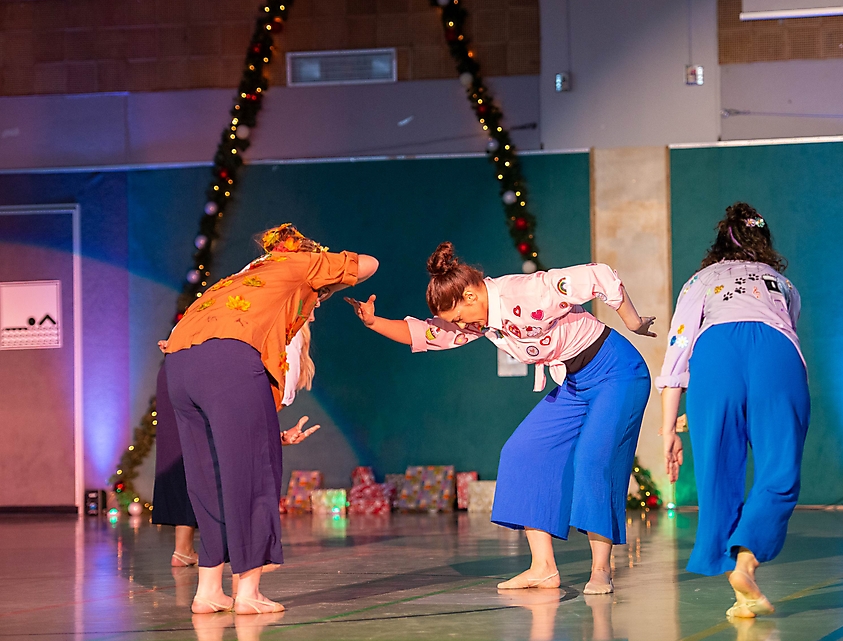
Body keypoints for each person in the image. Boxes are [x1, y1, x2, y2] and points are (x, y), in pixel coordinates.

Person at [347, 242, 654, 595]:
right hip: (575, 382)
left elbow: (596, 275)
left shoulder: (525, 292)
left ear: (471, 295)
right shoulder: (482, 319)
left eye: (459, 317)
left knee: (592, 459)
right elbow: (429, 335)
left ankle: (601, 569)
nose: (461, 326)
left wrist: (633, 321)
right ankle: (543, 568)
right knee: (522, 451)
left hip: (617, 372)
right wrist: (374, 323)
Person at [163, 224, 378, 614]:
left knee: (208, 480)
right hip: (228, 360)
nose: (316, 307)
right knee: (253, 477)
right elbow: (369, 264)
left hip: (178, 364)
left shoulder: (240, 279)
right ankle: (248, 592)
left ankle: (208, 591)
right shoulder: (298, 266)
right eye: (319, 299)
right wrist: (321, 268)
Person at [658, 203, 809, 619]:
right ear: (764, 242)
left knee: (718, 471)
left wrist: (668, 429)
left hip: (716, 354)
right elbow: (788, 327)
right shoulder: (784, 284)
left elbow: (678, 348)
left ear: (720, 242)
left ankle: (736, 576)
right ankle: (746, 565)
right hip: (776, 354)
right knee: (779, 467)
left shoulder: (700, 280)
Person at [152, 322, 320, 569]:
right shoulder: (287, 328)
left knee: (190, 455)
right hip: (209, 374)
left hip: (179, 368)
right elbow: (261, 409)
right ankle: (243, 558)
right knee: (218, 464)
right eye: (314, 307)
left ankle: (186, 550)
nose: (313, 316)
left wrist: (179, 341)